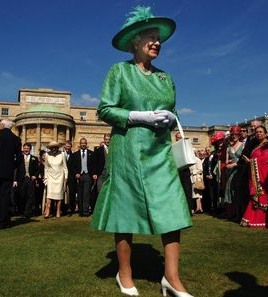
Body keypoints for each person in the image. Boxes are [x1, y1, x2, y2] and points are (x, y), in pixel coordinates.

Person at [91, 6, 193, 297]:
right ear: (135, 41)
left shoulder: (165, 78)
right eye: (151, 36)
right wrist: (139, 116)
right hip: (128, 149)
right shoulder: (119, 71)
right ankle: (125, 274)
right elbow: (105, 110)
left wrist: (170, 118)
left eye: (159, 38)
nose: (157, 42)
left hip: (160, 151)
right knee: (126, 209)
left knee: (173, 206)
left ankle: (171, 279)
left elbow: (172, 111)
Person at [240, 126, 268, 228]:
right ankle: (252, 218)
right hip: (256, 174)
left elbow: (266, 159)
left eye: (260, 132)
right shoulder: (257, 145)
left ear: (265, 133)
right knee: (256, 196)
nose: (258, 134)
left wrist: (250, 161)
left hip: (265, 176)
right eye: (256, 132)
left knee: (262, 195)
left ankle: (262, 219)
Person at [70, 137, 97, 217]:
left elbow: (93, 165)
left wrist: (94, 174)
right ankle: (80, 211)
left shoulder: (91, 154)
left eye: (84, 143)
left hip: (88, 176)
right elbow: (72, 167)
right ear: (80, 144)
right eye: (82, 143)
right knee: (80, 194)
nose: (83, 144)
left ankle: (85, 212)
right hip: (79, 176)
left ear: (86, 144)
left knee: (86, 194)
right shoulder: (75, 155)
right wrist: (76, 173)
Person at [13, 143, 39, 218]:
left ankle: (28, 213)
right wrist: (15, 180)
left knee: (30, 196)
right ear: (23, 149)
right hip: (21, 179)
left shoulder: (35, 158)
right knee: (21, 195)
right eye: (25, 148)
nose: (26, 150)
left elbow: (37, 169)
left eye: (27, 148)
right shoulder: (19, 157)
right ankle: (22, 211)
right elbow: (16, 169)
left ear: (30, 149)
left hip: (30, 179)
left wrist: (35, 175)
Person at [223, 126, 243, 220]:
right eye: (233, 135)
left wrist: (234, 164)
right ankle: (233, 213)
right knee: (230, 191)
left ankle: (240, 214)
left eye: (236, 135)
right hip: (230, 172)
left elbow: (243, 160)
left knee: (238, 192)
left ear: (239, 136)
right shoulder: (228, 148)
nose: (234, 137)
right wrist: (228, 163)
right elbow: (226, 161)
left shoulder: (243, 145)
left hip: (240, 171)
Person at [43, 141, 68, 218]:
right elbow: (46, 168)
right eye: (52, 147)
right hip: (50, 177)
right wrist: (46, 177)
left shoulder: (62, 154)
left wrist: (66, 177)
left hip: (60, 177)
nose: (54, 149)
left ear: (58, 148)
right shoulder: (47, 155)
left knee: (59, 195)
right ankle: (47, 211)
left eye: (55, 147)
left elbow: (65, 167)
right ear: (50, 148)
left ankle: (58, 211)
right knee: (49, 195)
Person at [175, 132, 193, 214]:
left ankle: (189, 210)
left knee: (187, 191)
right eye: (178, 138)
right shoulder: (174, 147)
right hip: (177, 172)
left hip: (185, 171)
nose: (179, 139)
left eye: (180, 137)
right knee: (179, 192)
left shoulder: (186, 146)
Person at [63, 141, 76, 215]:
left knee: (72, 193)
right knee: (62, 192)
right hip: (62, 176)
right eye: (66, 146)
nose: (68, 148)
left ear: (71, 147)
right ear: (64, 146)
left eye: (69, 146)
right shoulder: (60, 154)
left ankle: (72, 209)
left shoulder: (73, 155)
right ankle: (63, 209)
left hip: (71, 177)